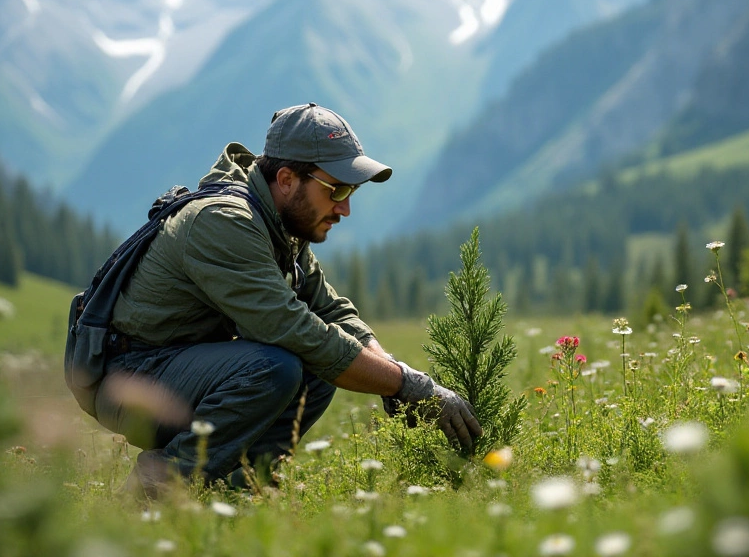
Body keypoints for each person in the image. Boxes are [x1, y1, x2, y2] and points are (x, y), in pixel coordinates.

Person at [93, 103, 480, 496]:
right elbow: (294, 330)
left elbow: (331, 311)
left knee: (317, 367)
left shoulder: (276, 225)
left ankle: (237, 494)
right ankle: (156, 491)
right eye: (338, 189)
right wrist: (406, 385)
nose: (345, 208)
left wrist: (393, 373)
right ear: (286, 179)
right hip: (129, 381)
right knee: (278, 366)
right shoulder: (226, 223)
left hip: (176, 371)